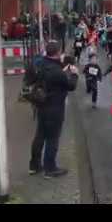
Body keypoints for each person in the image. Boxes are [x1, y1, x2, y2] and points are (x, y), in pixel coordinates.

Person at [28, 41, 79, 178]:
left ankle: (34, 165)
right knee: (52, 138)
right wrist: (74, 74)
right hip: (54, 108)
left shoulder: (40, 64)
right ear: (57, 53)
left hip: (41, 105)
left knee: (40, 135)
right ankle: (50, 169)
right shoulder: (58, 72)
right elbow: (71, 86)